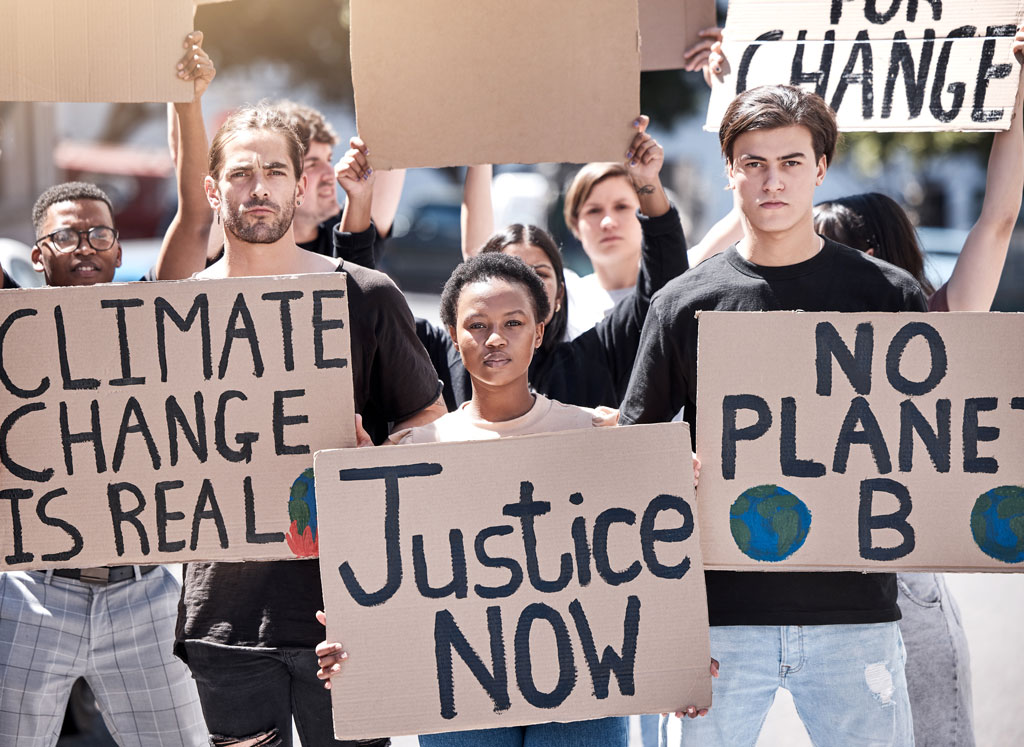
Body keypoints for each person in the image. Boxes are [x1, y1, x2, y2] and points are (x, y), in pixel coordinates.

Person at [619, 85, 926, 747]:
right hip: (720, 620)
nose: (772, 179)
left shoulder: (889, 296)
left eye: (790, 161)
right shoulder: (682, 303)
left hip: (856, 616)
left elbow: (927, 450)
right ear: (730, 168)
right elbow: (633, 459)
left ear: (820, 168)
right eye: (754, 162)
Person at [314, 252, 711, 746]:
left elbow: (643, 565)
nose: (494, 338)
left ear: (539, 332)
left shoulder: (598, 434)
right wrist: (357, 635)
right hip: (459, 698)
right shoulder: (411, 454)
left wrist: (677, 650)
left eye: (513, 322)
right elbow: (387, 584)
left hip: (585, 695)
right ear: (454, 337)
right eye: (476, 325)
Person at [173, 102, 445, 747]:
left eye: (274, 171)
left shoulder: (366, 294)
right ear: (213, 189)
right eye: (241, 174)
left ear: (302, 185)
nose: (259, 189)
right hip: (226, 624)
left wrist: (376, 456)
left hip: (351, 615)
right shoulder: (179, 315)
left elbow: (430, 422)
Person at [810, 46, 1024, 744]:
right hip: (808, 604)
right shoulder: (781, 352)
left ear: (880, 257)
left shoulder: (933, 328)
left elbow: (996, 219)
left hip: (905, 591)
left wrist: (1017, 106)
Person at [0, 181, 209, 747]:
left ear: (119, 251)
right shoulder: (11, 333)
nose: (85, 246)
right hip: (29, 592)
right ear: (38, 254)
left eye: (99, 234)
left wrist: (184, 98)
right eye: (65, 235)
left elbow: (193, 219)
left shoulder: (149, 319)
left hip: (144, 596)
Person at [333, 117, 689, 411]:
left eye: (539, 275)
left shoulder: (595, 357)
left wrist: (646, 184)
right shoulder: (440, 357)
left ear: (559, 297)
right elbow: (364, 302)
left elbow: (662, 290)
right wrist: (360, 200)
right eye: (509, 273)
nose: (522, 286)